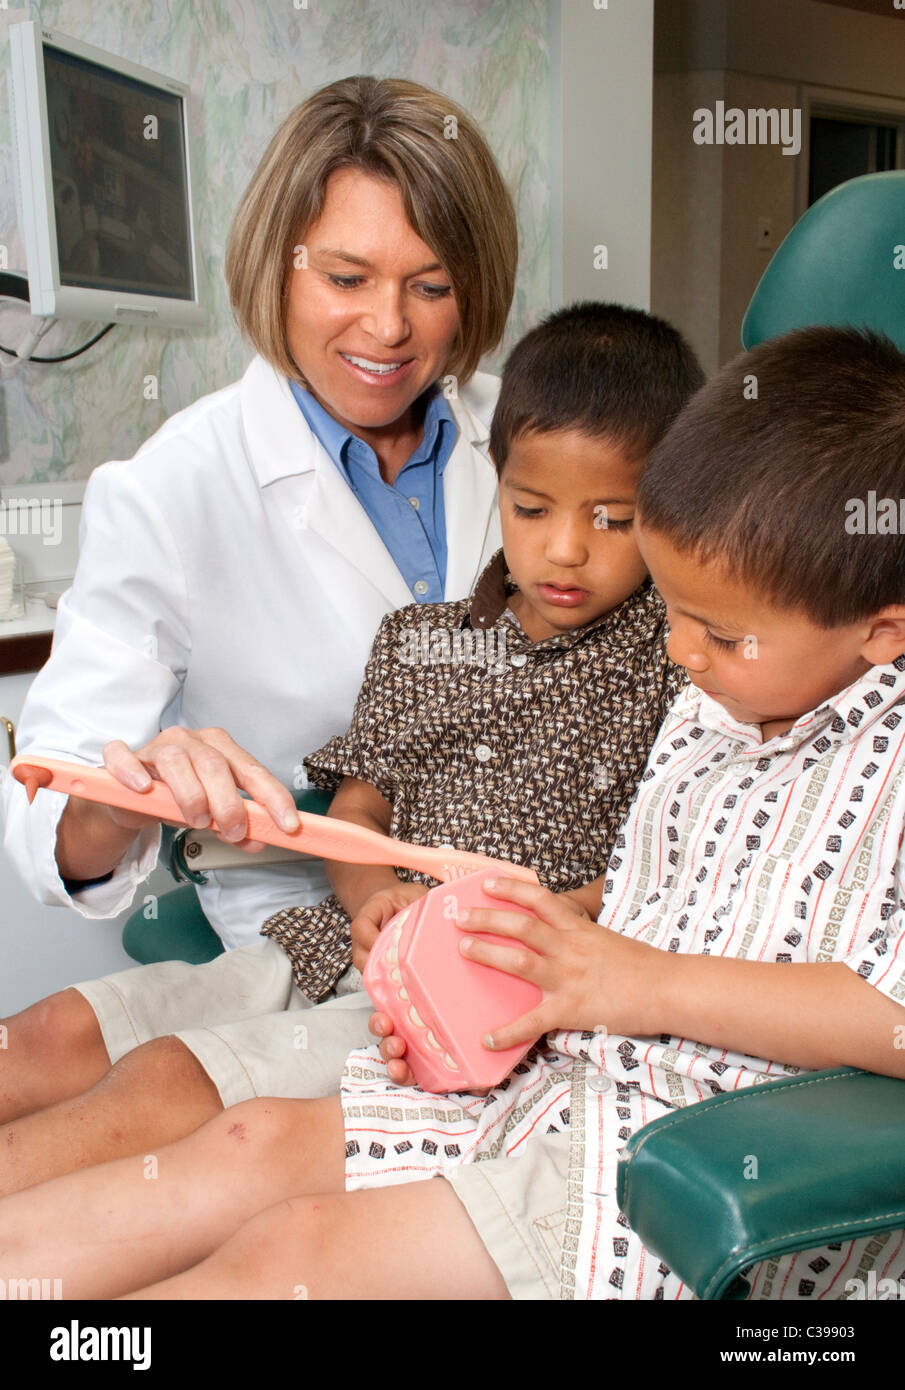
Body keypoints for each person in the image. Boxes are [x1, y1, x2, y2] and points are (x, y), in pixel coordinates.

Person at [7, 322, 904, 1304]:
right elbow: (637, 908)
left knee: (291, 1256)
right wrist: (495, 966)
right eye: (677, 616)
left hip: (712, 1160)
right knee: (246, 1144)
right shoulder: (711, 709)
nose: (681, 653)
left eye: (715, 633)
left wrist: (624, 981)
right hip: (564, 1077)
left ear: (881, 630)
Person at [0, 75, 518, 1187]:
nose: (387, 327)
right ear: (272, 263)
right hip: (301, 916)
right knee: (39, 1056)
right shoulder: (173, 488)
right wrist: (124, 784)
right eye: (344, 277)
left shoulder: (530, 444)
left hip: (510, 905)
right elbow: (47, 819)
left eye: (430, 285)